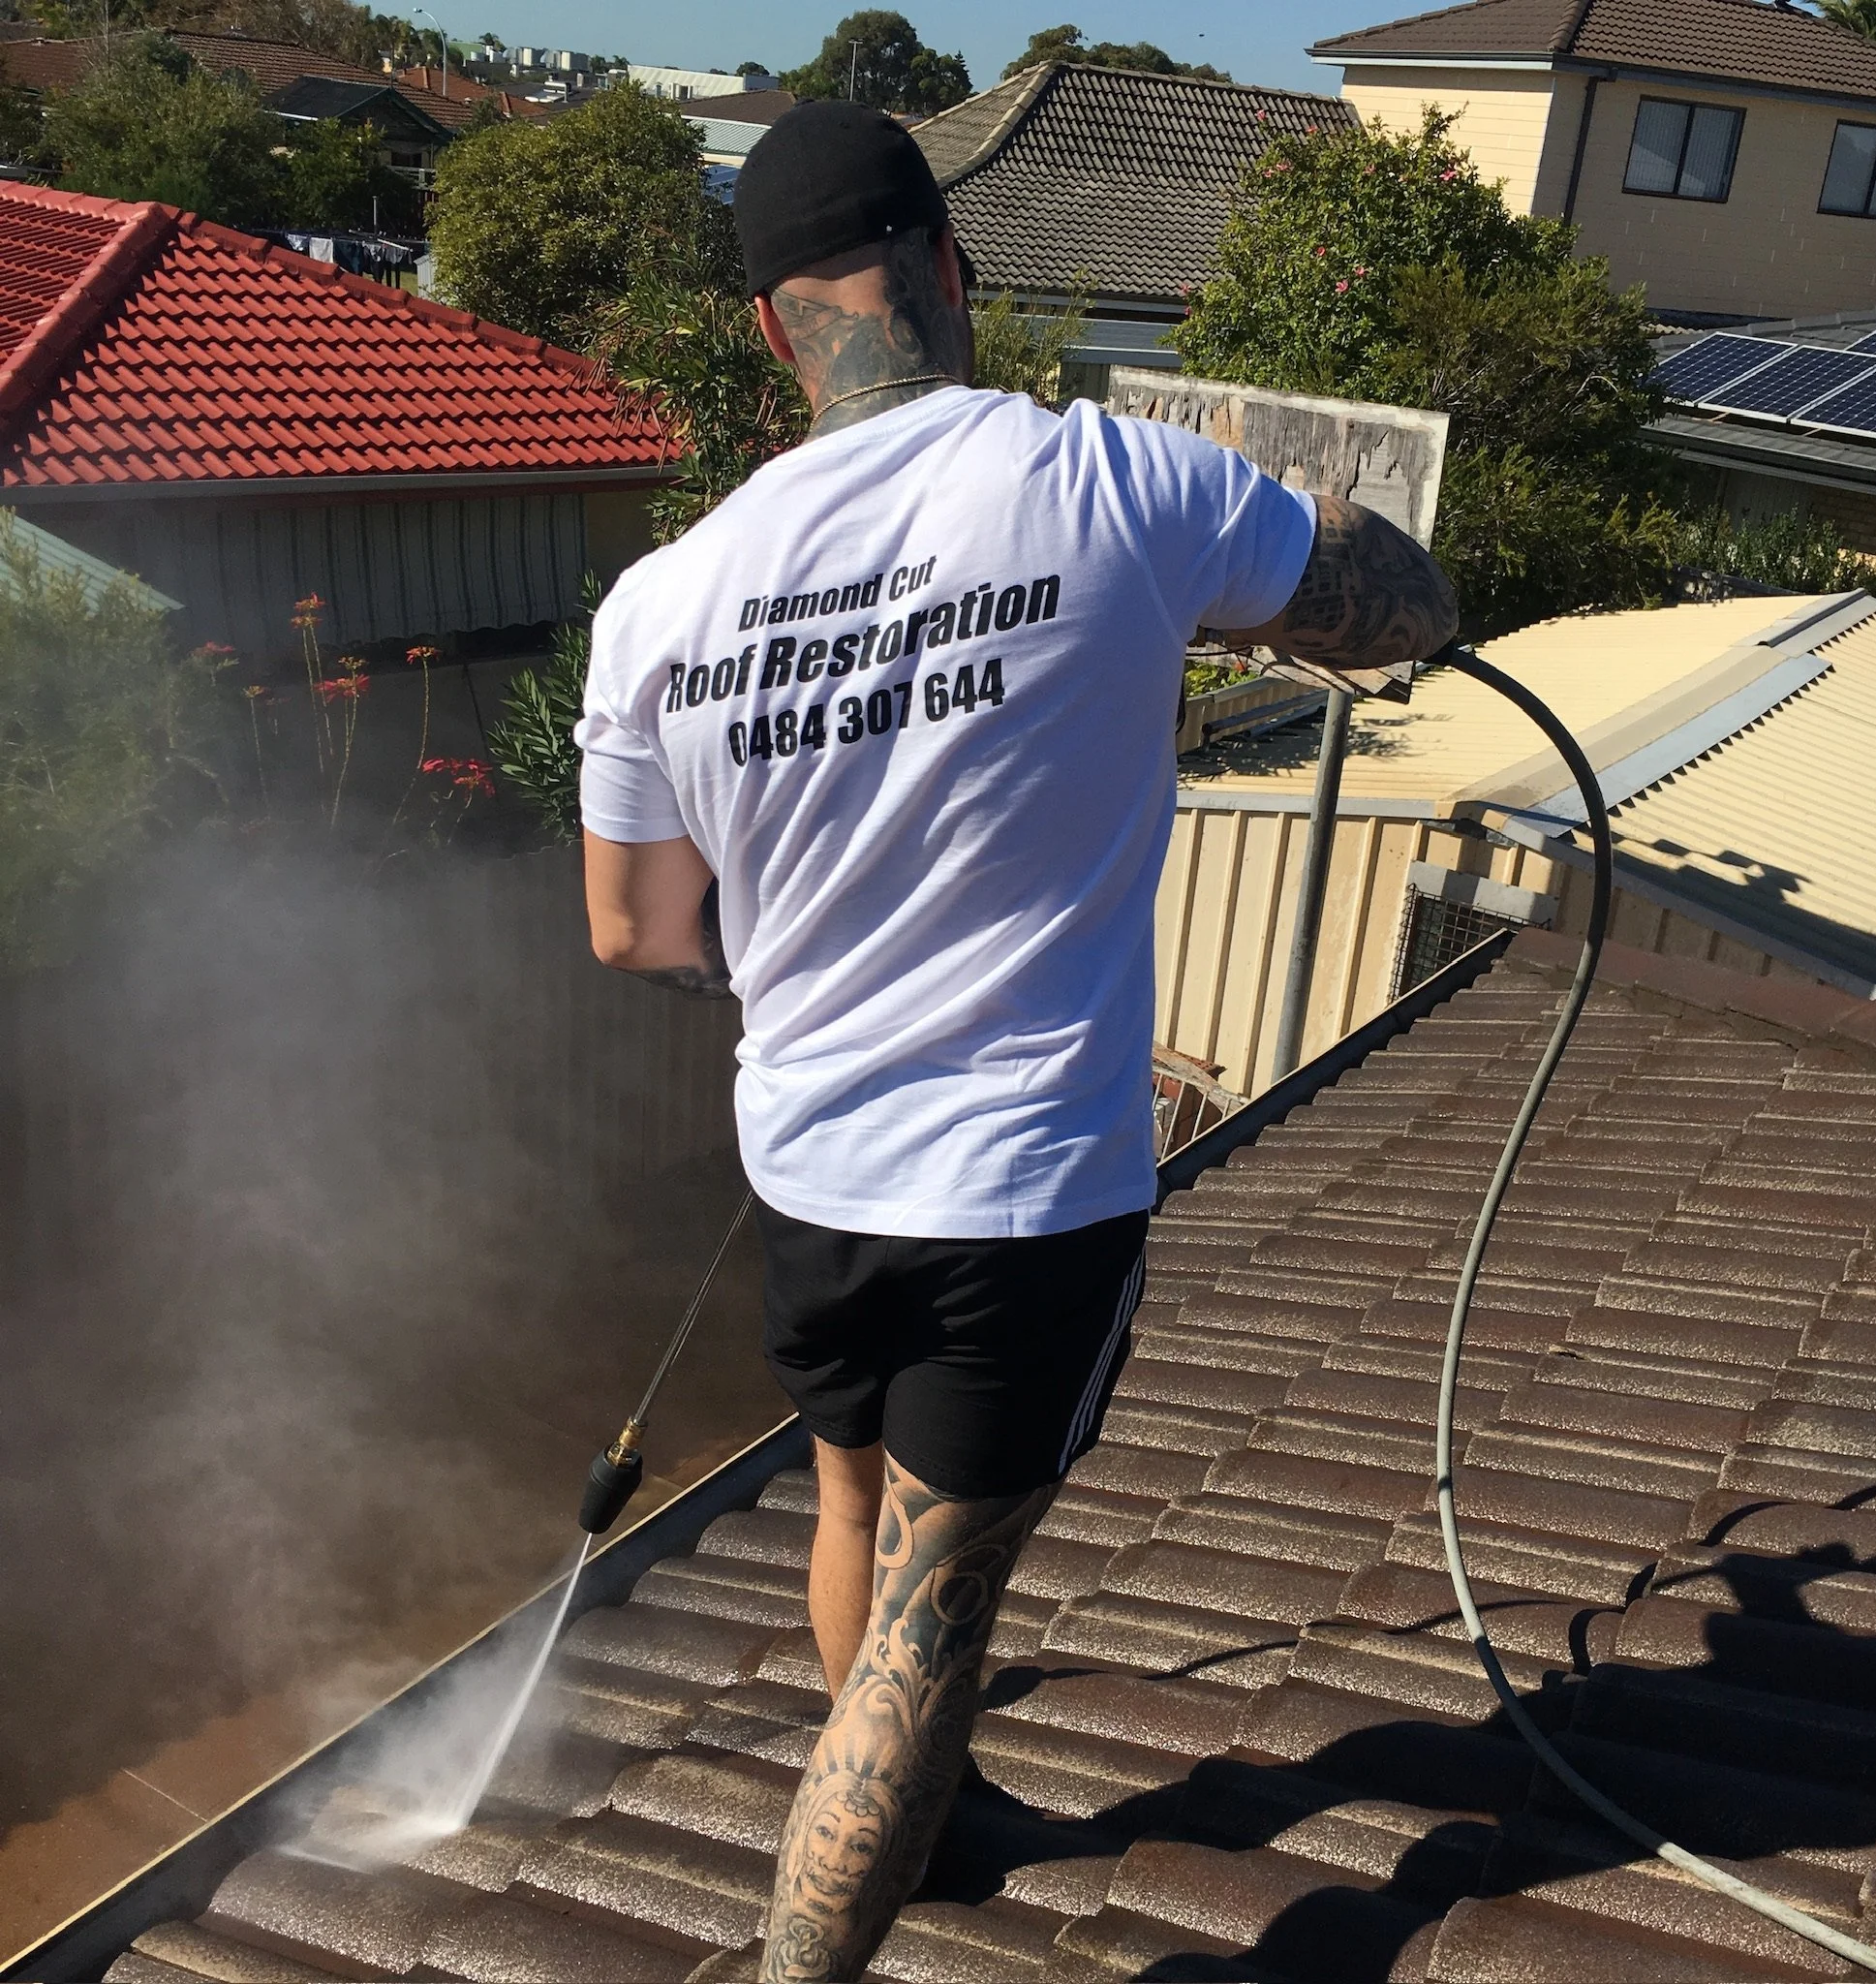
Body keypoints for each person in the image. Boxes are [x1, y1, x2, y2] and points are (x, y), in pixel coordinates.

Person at [576, 100, 1458, 1984]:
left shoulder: (661, 599)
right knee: (933, 1616)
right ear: (952, 276)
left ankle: (938, 1822)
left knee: (846, 1497)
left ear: (765, 332)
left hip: (807, 1168)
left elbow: (633, 930)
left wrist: (821, 935)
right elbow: (1408, 604)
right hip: (1020, 1189)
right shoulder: (1122, 484)